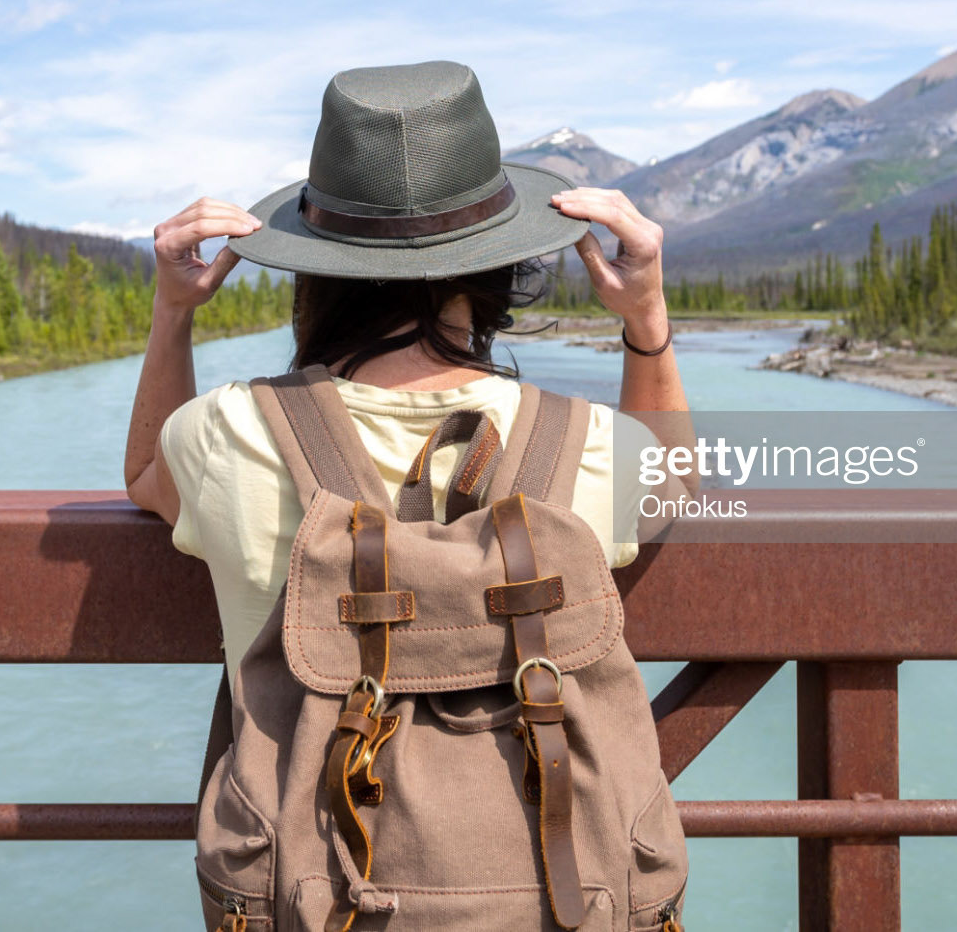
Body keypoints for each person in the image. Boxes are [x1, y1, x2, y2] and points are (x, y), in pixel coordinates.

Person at [123, 59, 696, 691]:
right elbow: (679, 488)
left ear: (314, 268)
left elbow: (145, 475)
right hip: (541, 788)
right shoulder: (595, 445)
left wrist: (173, 311)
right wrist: (645, 318)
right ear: (496, 267)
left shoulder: (223, 433)